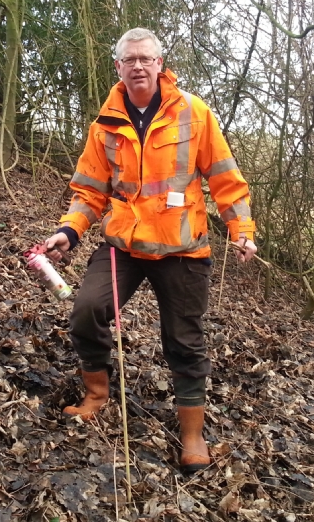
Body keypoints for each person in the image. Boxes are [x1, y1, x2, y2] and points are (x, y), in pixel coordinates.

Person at [36, 27, 257, 474]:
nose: (138, 66)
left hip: (182, 248)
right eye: (129, 59)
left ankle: (192, 434)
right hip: (124, 244)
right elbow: (89, 191)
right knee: (86, 310)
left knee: (184, 340)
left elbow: (225, 178)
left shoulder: (194, 113)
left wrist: (242, 229)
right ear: (117, 66)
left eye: (145, 59)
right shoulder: (105, 124)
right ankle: (97, 394)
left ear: (159, 64)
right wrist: (69, 231)